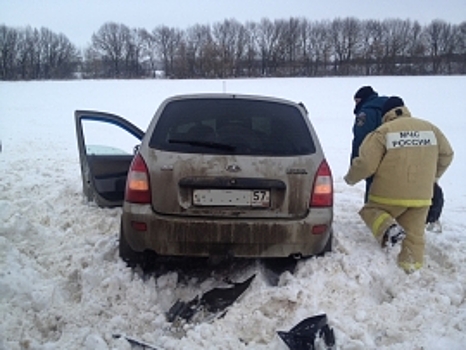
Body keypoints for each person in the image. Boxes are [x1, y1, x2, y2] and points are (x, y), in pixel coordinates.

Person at [344, 96, 454, 273]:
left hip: (388, 194)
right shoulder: (431, 129)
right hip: (422, 196)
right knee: (415, 236)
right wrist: (432, 177)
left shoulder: (383, 132)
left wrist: (351, 178)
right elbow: (447, 155)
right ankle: (410, 269)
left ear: (386, 113)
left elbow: (366, 164)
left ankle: (389, 230)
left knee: (371, 211)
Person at [351, 86, 388, 202]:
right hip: (395, 154)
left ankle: (371, 210)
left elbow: (361, 138)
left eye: (357, 101)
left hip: (374, 156)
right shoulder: (388, 107)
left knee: (373, 186)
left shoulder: (365, 113)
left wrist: (355, 161)